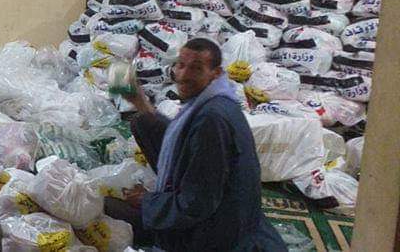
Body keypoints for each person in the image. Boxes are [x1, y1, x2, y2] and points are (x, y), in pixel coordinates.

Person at [105, 38, 286, 251]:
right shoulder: (216, 99)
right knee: (144, 122)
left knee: (105, 206)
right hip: (221, 210)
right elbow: (180, 139)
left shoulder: (212, 120)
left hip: (217, 234)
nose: (183, 75)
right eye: (181, 65)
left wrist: (147, 201)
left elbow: (197, 205)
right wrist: (140, 102)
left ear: (215, 73)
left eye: (196, 68)